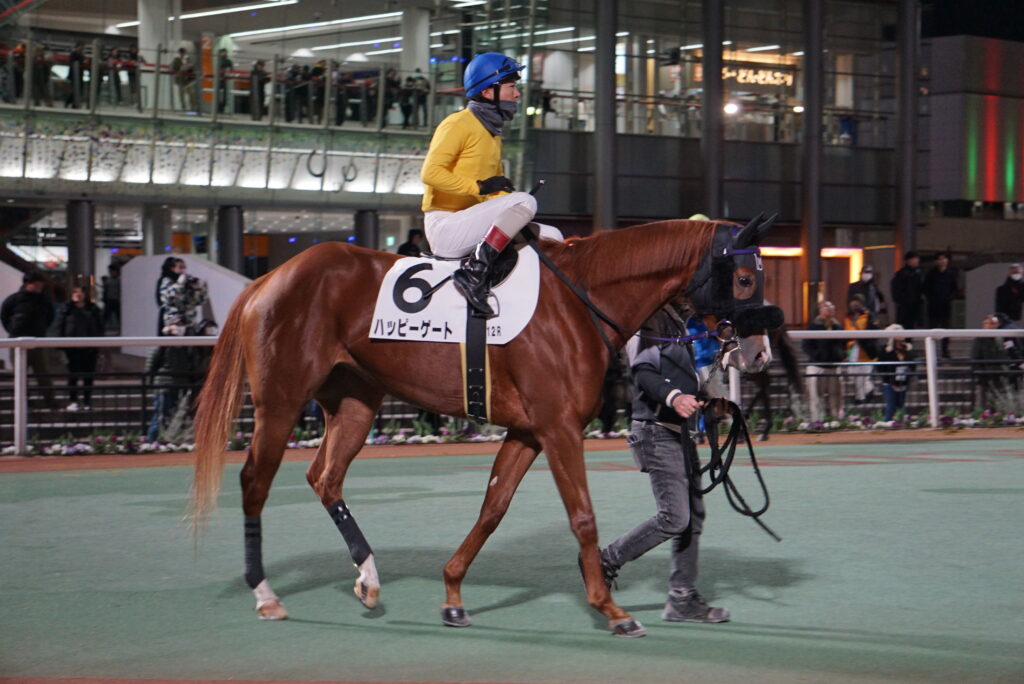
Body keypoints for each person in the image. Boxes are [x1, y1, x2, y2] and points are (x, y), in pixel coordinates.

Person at [594, 306, 729, 624]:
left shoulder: (680, 321)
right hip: (656, 431)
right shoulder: (648, 317)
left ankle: (681, 598)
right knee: (675, 517)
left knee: (692, 518)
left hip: (679, 432)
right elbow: (643, 372)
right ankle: (605, 561)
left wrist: (709, 400)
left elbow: (684, 375)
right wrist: (674, 397)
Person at [420, 52, 563, 316]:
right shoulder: (457, 123)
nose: (517, 94)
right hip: (445, 227)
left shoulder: (493, 135)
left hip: (469, 222)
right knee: (525, 201)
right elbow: (430, 173)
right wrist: (479, 187)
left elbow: (491, 197)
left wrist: (502, 198)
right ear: (488, 92)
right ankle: (474, 273)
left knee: (552, 235)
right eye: (511, 87)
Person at [1, 271, 57, 409]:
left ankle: (51, 402)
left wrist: (41, 330)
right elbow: (4, 316)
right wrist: (13, 331)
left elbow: (50, 317)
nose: (40, 286)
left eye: (41, 284)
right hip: (17, 341)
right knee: (20, 375)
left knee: (43, 373)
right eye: (36, 283)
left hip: (38, 341)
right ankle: (24, 403)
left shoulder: (44, 300)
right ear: (27, 283)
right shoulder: (14, 300)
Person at [55, 286, 103, 411]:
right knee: (73, 375)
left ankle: (87, 402)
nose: (78, 294)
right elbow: (59, 327)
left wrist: (99, 344)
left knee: (88, 376)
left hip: (89, 348)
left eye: (81, 292)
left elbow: (100, 327)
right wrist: (59, 346)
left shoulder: (93, 309)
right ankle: (73, 401)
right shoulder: (66, 308)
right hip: (72, 348)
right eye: (75, 292)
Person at [802, 300, 846, 421]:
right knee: (815, 396)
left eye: (832, 307)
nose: (831, 310)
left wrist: (841, 354)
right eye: (827, 307)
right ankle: (816, 421)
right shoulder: (814, 326)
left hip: (834, 366)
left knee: (836, 396)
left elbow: (843, 343)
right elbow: (806, 345)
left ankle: (836, 420)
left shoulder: (837, 326)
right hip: (817, 366)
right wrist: (817, 355)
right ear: (821, 310)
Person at [155, 257, 208, 335]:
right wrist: (180, 284)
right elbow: (169, 299)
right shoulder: (166, 280)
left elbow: (198, 301)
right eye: (180, 267)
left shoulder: (188, 279)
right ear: (172, 268)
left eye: (184, 267)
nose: (183, 270)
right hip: (173, 323)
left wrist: (200, 289)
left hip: (189, 322)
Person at [843, 295, 879, 404]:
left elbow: (874, 332)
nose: (854, 305)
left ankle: (866, 394)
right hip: (852, 350)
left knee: (866, 377)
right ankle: (861, 397)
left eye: (857, 303)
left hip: (866, 352)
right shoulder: (847, 317)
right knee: (855, 377)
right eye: (853, 302)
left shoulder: (869, 316)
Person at [875, 324, 914, 421]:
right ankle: (887, 424)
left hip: (903, 381)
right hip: (889, 382)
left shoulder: (907, 348)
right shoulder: (886, 350)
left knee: (901, 407)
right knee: (891, 407)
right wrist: (889, 378)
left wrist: (908, 375)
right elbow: (880, 366)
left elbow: (912, 364)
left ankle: (900, 425)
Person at [923, 252, 959, 358]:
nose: (942, 261)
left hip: (946, 305)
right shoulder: (930, 274)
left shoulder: (951, 274)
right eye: (939, 259)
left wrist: (950, 298)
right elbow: (926, 289)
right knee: (932, 328)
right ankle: (930, 351)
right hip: (933, 305)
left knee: (945, 329)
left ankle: (945, 351)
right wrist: (931, 298)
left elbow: (955, 289)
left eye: (944, 259)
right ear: (935, 261)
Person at [891, 251, 924, 329]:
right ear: (908, 260)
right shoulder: (901, 274)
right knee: (903, 326)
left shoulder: (919, 273)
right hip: (904, 305)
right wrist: (900, 300)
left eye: (917, 259)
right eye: (914, 259)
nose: (916, 261)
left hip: (916, 304)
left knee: (914, 326)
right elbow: (896, 289)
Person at [171, 47, 197, 112]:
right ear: (179, 53)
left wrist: (189, 67)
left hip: (188, 80)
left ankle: (193, 107)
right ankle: (183, 108)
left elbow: (193, 68)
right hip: (180, 80)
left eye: (184, 53)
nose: (183, 54)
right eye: (182, 53)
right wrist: (180, 70)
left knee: (191, 93)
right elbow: (174, 69)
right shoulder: (176, 60)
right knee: (181, 95)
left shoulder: (188, 59)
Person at [101, 263, 121, 332]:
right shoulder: (108, 280)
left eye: (112, 271)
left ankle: (120, 330)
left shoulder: (119, 280)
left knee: (119, 316)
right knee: (105, 316)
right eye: (110, 271)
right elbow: (105, 290)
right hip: (109, 300)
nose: (111, 273)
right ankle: (101, 330)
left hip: (116, 300)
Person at [65, 43, 86, 109]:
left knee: (78, 89)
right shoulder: (74, 54)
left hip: (79, 74)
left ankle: (73, 103)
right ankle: (69, 102)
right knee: (75, 90)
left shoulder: (81, 54)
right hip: (74, 75)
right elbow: (73, 62)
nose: (82, 48)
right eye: (81, 47)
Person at [217, 48, 233, 114]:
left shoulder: (228, 61)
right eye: (223, 52)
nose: (224, 54)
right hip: (219, 80)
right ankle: (219, 108)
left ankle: (222, 107)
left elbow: (231, 70)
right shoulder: (218, 60)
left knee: (224, 95)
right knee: (219, 95)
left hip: (225, 80)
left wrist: (226, 72)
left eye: (225, 52)